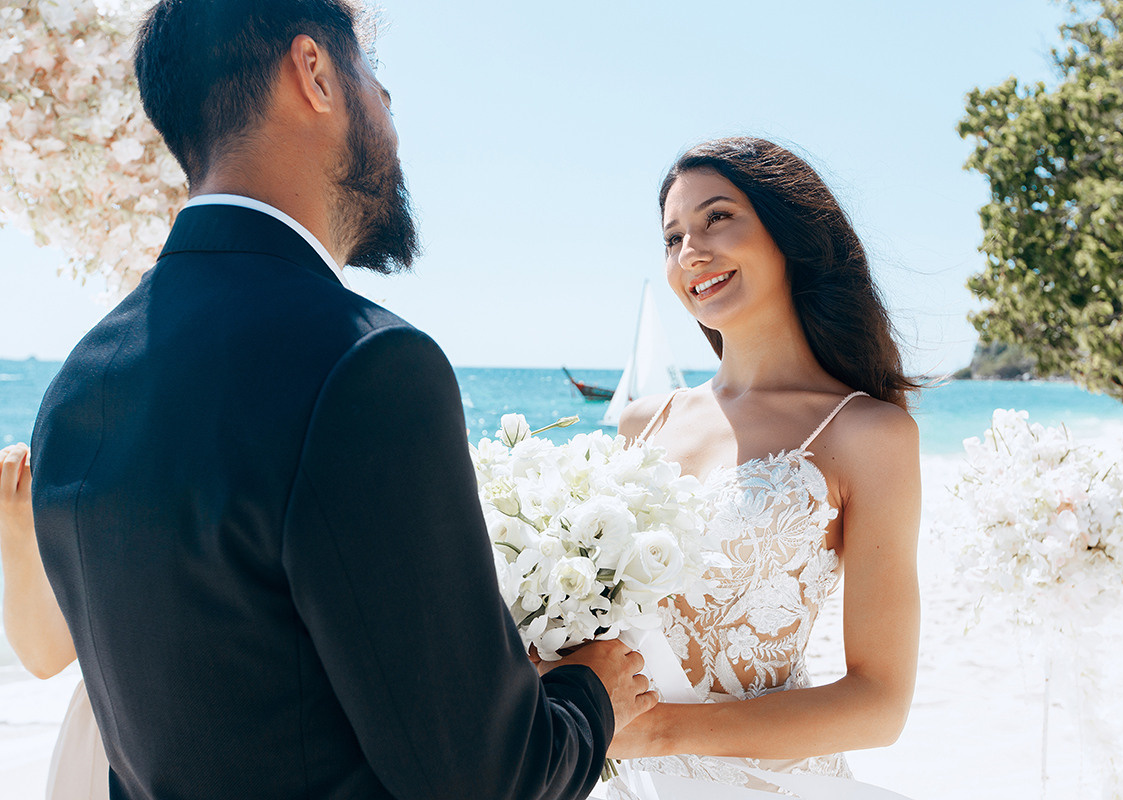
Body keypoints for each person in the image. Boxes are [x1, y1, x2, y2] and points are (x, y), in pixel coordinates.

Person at [28, 2, 654, 798]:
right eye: (373, 74)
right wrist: (591, 694)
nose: (388, 108)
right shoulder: (367, 365)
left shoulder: (77, 386)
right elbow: (484, 781)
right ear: (315, 73)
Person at [604, 137, 922, 798]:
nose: (691, 250)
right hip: (627, 779)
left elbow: (879, 704)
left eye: (717, 217)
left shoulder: (868, 434)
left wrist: (662, 733)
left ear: (788, 233)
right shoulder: (642, 423)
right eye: (673, 237)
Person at [1, 442, 109, 799]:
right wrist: (18, 529)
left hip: (115, 732)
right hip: (110, 731)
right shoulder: (80, 401)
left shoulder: (82, 401)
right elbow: (45, 655)